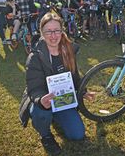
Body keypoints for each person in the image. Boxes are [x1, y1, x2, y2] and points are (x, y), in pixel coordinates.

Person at [23, 13, 87, 155]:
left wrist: (83, 91)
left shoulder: (68, 50)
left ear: (61, 31)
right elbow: (34, 87)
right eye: (48, 31)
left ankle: (56, 117)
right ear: (42, 33)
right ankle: (46, 136)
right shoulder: (35, 57)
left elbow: (75, 75)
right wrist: (41, 100)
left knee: (77, 135)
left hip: (63, 100)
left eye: (57, 30)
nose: (53, 35)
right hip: (44, 100)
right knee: (39, 111)